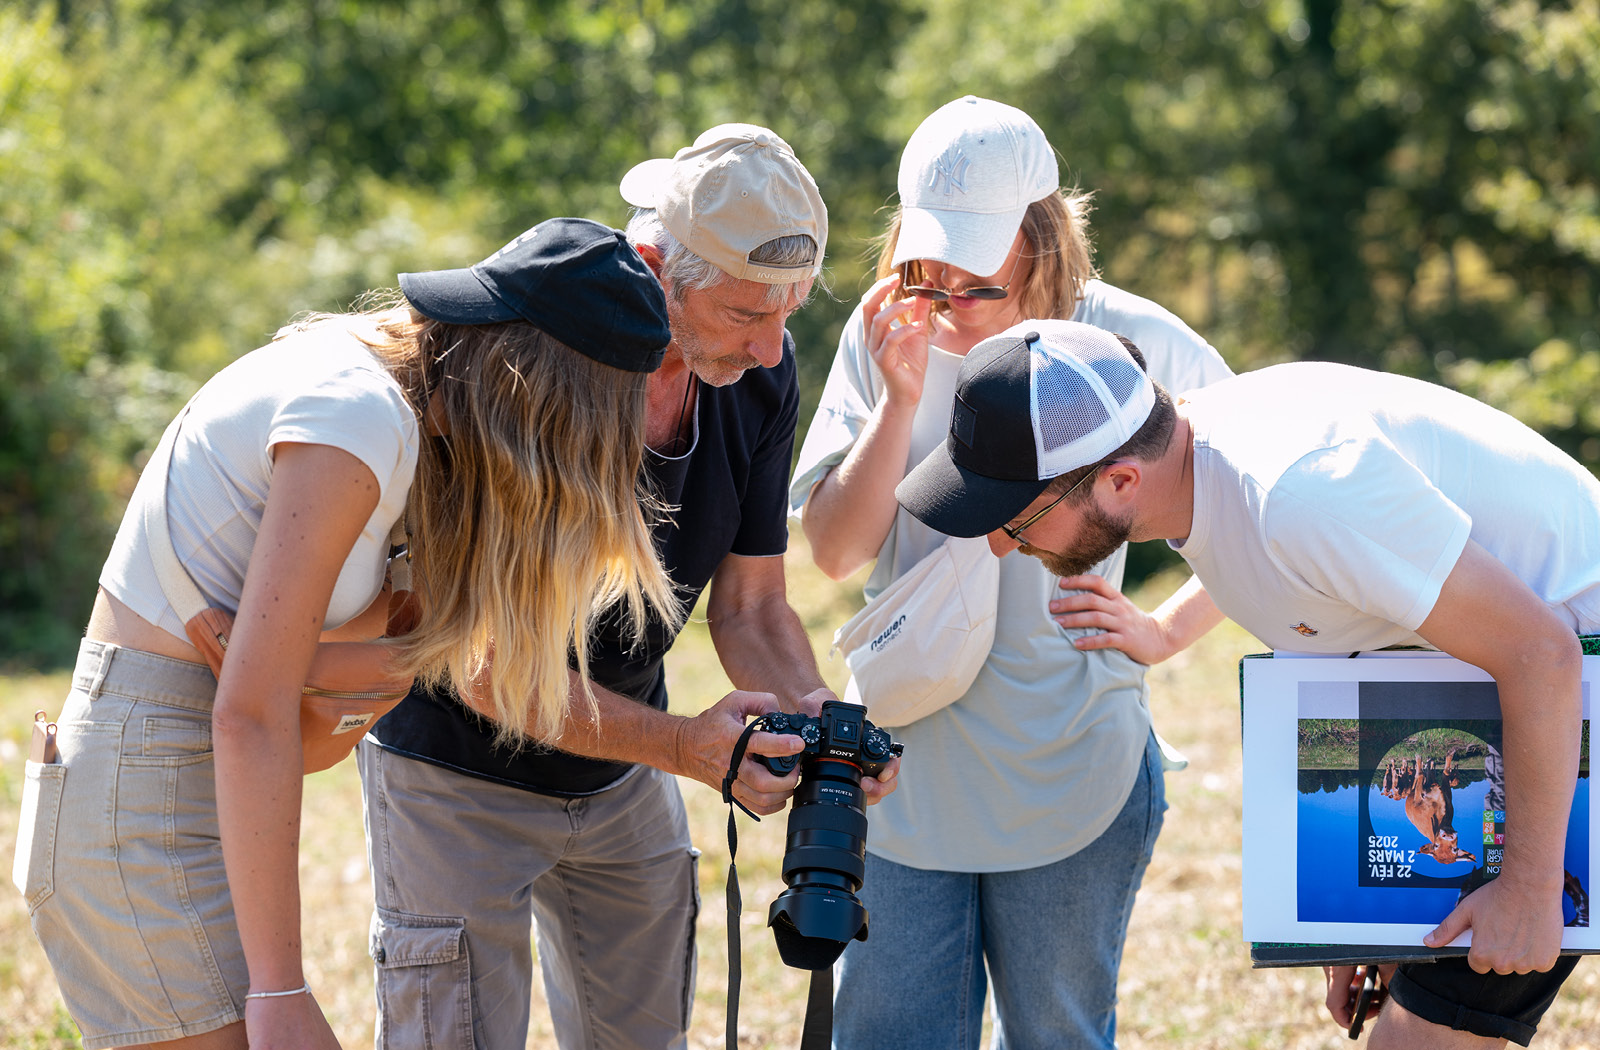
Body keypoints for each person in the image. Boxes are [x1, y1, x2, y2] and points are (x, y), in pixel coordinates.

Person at [14, 216, 681, 1050]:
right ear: (541, 401)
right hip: (143, 784)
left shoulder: (410, 418)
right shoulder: (360, 418)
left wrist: (330, 666)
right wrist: (281, 989)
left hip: (188, 770)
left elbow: (324, 722)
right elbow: (251, 716)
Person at [895, 317, 1598, 1049]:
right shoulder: (1200, 464)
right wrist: (1372, 919)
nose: (1000, 543)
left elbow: (1543, 654)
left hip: (1562, 698)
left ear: (1122, 480)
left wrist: (1530, 888)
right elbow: (1301, 583)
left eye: (1017, 515)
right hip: (1507, 707)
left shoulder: (1303, 492)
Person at [360, 124, 895, 1050]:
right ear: (655, 268)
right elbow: (493, 664)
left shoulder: (761, 378)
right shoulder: (543, 363)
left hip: (624, 765)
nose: (772, 351)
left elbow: (753, 606)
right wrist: (687, 747)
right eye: (744, 315)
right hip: (457, 767)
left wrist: (821, 730)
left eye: (791, 312)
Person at [789, 96, 1232, 1050]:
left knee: (1059, 1036)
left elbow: (1256, 497)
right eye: (925, 263)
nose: (943, 292)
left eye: (973, 276)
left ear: (1044, 238)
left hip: (1074, 760)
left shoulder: (1133, 340)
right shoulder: (885, 337)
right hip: (904, 768)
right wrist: (896, 399)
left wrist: (1165, 630)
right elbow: (832, 550)